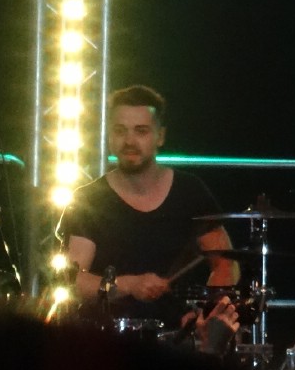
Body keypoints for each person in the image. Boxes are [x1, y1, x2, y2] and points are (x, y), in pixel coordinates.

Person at [63, 85, 237, 328]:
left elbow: (226, 263)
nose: (129, 141)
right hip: (106, 337)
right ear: (109, 137)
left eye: (141, 131)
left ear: (160, 136)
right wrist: (129, 285)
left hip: (180, 334)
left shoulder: (190, 191)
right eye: (120, 131)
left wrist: (207, 313)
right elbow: (74, 281)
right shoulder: (88, 198)